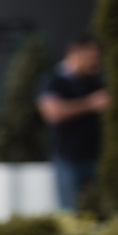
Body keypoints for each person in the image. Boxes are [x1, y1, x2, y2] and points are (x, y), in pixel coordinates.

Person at [38, 33, 108, 211]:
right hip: (68, 159)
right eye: (90, 57)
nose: (95, 63)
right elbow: (53, 113)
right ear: (75, 53)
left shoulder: (93, 81)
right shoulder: (54, 80)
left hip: (94, 157)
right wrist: (89, 104)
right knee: (71, 211)